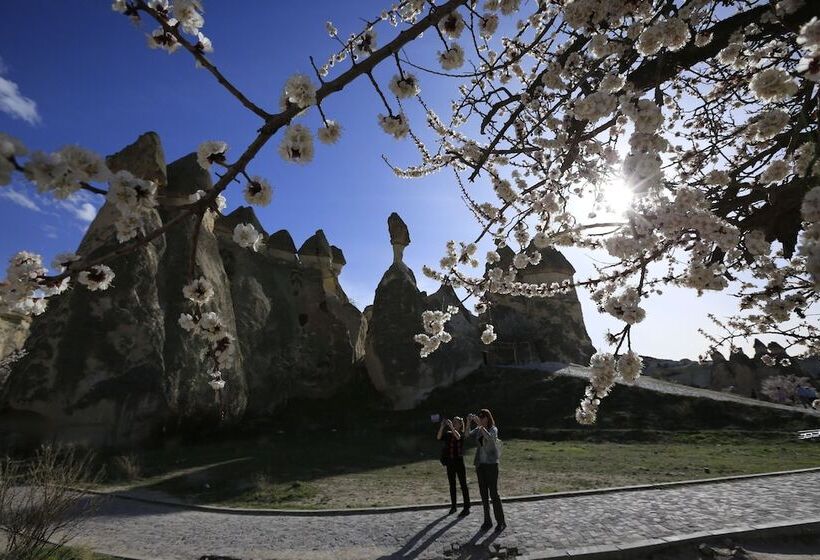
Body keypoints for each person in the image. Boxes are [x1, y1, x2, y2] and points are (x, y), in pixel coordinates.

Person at [467, 409, 506, 532]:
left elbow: (489, 439)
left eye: (483, 418)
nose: (481, 420)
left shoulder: (493, 429)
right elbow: (467, 435)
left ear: (488, 418)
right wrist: (468, 422)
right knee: (484, 495)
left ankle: (501, 522)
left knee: (494, 494)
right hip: (480, 465)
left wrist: (480, 426)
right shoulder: (479, 430)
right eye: (480, 418)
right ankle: (487, 521)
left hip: (491, 465)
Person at [437, 416, 470, 516]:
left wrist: (451, 427)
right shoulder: (448, 434)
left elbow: (458, 437)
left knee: (463, 485)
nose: (454, 423)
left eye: (456, 422)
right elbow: (438, 437)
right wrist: (442, 427)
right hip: (450, 462)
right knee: (452, 485)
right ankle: (453, 506)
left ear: (460, 425)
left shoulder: (462, 434)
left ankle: (466, 507)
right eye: (453, 422)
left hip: (459, 462)